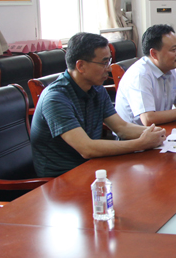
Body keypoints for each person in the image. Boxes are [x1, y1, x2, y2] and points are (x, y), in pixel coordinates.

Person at [31, 33, 166, 177]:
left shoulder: (96, 88)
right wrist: (141, 143)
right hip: (62, 178)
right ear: (81, 66)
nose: (109, 68)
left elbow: (122, 128)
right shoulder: (55, 98)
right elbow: (86, 148)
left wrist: (158, 133)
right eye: (104, 63)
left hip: (93, 167)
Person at [115, 24, 176, 126]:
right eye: (173, 49)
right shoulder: (140, 75)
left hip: (162, 128)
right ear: (154, 54)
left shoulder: (169, 68)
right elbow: (148, 119)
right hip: (137, 133)